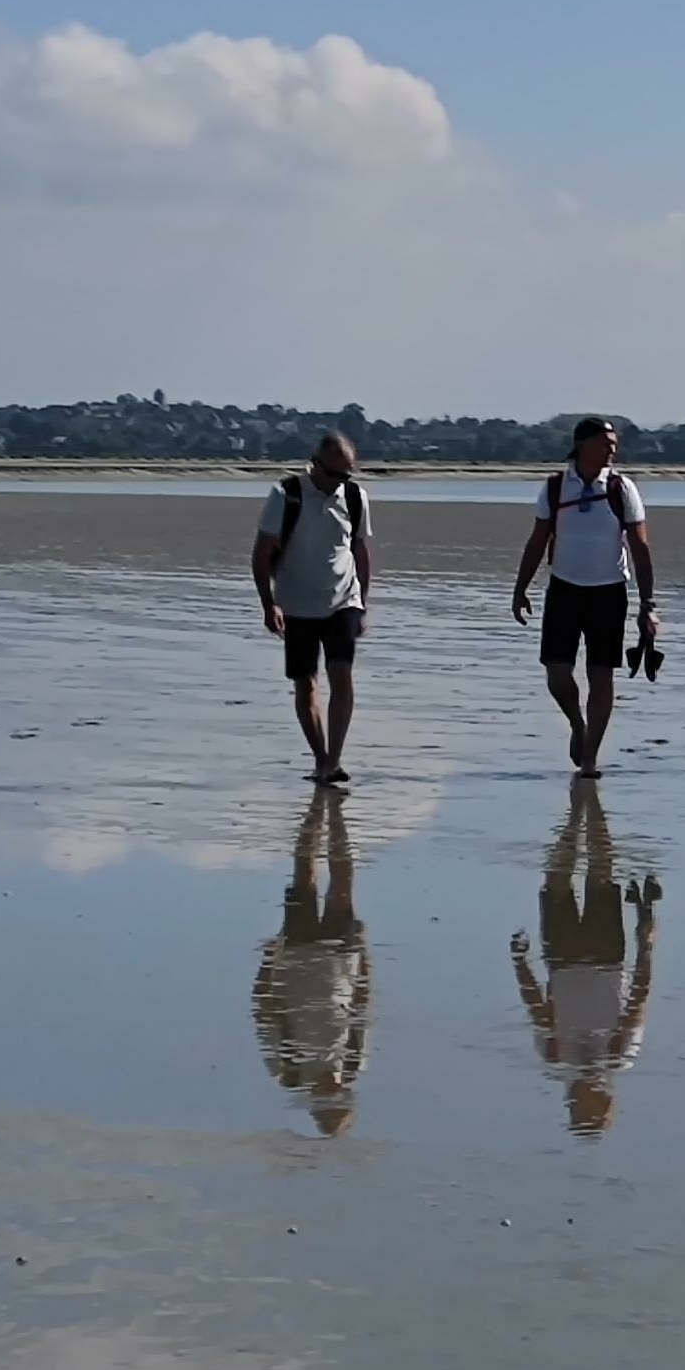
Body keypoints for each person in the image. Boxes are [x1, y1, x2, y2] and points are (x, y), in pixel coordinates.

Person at [509, 778, 659, 1136]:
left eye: (588, 1106)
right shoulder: (619, 1056)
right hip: (606, 955)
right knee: (601, 872)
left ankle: (576, 819)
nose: (593, 1097)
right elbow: (639, 997)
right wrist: (646, 946)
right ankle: (591, 811)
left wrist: (520, 965)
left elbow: (537, 1008)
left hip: (561, 958)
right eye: (600, 1105)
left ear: (574, 1101)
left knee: (556, 880)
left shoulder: (554, 1056)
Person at [513, 417, 659, 779]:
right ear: (582, 444)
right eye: (605, 442)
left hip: (609, 592)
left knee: (601, 676)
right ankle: (578, 723)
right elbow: (537, 542)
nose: (612, 448)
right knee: (557, 675)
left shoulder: (622, 489)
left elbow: (640, 549)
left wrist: (647, 605)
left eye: (614, 443)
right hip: (564, 589)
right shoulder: (554, 488)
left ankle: (591, 757)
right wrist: (521, 589)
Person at [250, 430, 371, 787]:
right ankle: (321, 759)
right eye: (335, 474)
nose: (340, 482)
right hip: (296, 605)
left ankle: (334, 760)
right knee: (306, 687)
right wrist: (268, 603)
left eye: (347, 475)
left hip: (343, 601)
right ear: (316, 464)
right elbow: (261, 554)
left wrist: (363, 602)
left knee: (342, 677)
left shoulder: (354, 496)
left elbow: (360, 551)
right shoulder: (285, 495)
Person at [252, 789, 373, 1135]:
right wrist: (365, 956)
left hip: (296, 955)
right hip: (341, 958)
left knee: (304, 877)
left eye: (331, 1103)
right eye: (342, 1099)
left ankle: (316, 809)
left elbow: (263, 1010)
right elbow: (362, 1007)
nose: (337, 1092)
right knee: (343, 884)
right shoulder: (353, 1064)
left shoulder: (288, 1071)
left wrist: (268, 961)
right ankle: (336, 816)